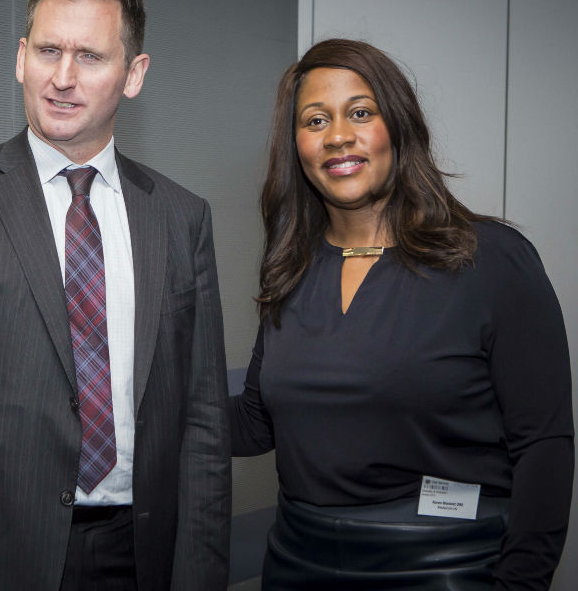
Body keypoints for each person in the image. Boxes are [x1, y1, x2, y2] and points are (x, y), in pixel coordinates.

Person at [0, 0, 230, 590]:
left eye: (90, 57)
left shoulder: (181, 217)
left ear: (134, 74)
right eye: (48, 50)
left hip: (141, 550)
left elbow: (203, 421)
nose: (62, 78)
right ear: (20, 58)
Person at [230, 38, 574, 589]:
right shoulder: (289, 268)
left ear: (399, 125)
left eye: (360, 113)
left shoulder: (491, 260)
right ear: (297, 145)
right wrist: (126, 407)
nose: (338, 135)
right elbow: (254, 423)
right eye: (316, 120)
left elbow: (544, 446)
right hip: (298, 563)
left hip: (450, 562)